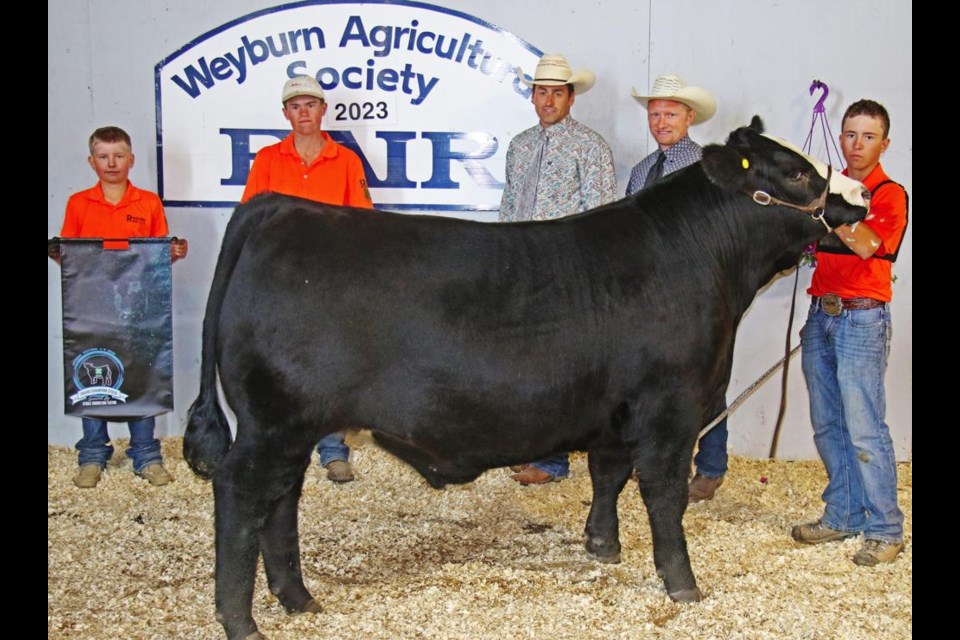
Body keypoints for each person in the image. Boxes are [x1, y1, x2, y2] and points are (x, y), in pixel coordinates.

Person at [792, 99, 908, 566]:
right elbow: (812, 238)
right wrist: (828, 219)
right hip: (822, 312)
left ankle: (885, 528)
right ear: (839, 138)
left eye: (867, 136)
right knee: (827, 422)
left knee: (864, 426)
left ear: (885, 143)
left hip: (862, 316)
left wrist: (820, 218)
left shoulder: (890, 193)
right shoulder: (833, 189)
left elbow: (871, 246)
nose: (856, 144)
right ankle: (843, 513)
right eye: (849, 134)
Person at [241, 74, 374, 483]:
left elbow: (363, 221)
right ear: (286, 113)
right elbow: (250, 218)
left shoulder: (346, 161)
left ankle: (333, 450)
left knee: (331, 363)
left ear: (323, 110)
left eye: (310, 105)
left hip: (331, 280)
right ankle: (283, 448)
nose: (304, 113)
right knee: (282, 363)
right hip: (281, 279)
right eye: (296, 106)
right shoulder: (267, 159)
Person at [499, 54, 617, 485]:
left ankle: (553, 460)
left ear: (571, 98)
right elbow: (510, 207)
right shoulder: (520, 145)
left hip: (566, 273)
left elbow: (601, 218)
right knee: (526, 364)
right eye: (541, 91)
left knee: (558, 368)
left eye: (556, 92)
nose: (547, 100)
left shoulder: (590, 147)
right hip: (521, 270)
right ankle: (531, 449)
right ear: (532, 96)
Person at [52, 125, 189, 488]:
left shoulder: (148, 203)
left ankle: (146, 454)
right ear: (91, 161)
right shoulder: (79, 203)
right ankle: (93, 455)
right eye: (103, 156)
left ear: (130, 160)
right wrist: (58, 253)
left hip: (139, 305)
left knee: (142, 369)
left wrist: (173, 253)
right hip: (92, 306)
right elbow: (73, 258)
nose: (111, 163)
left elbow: (157, 255)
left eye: (118, 156)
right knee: (90, 367)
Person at [626, 74, 723, 503]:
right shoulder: (642, 170)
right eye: (655, 114)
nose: (661, 122)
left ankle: (711, 465)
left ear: (690, 117)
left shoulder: (708, 169)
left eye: (670, 113)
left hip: (696, 292)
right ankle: (661, 460)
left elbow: (719, 234)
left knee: (705, 381)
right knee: (651, 380)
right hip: (650, 292)